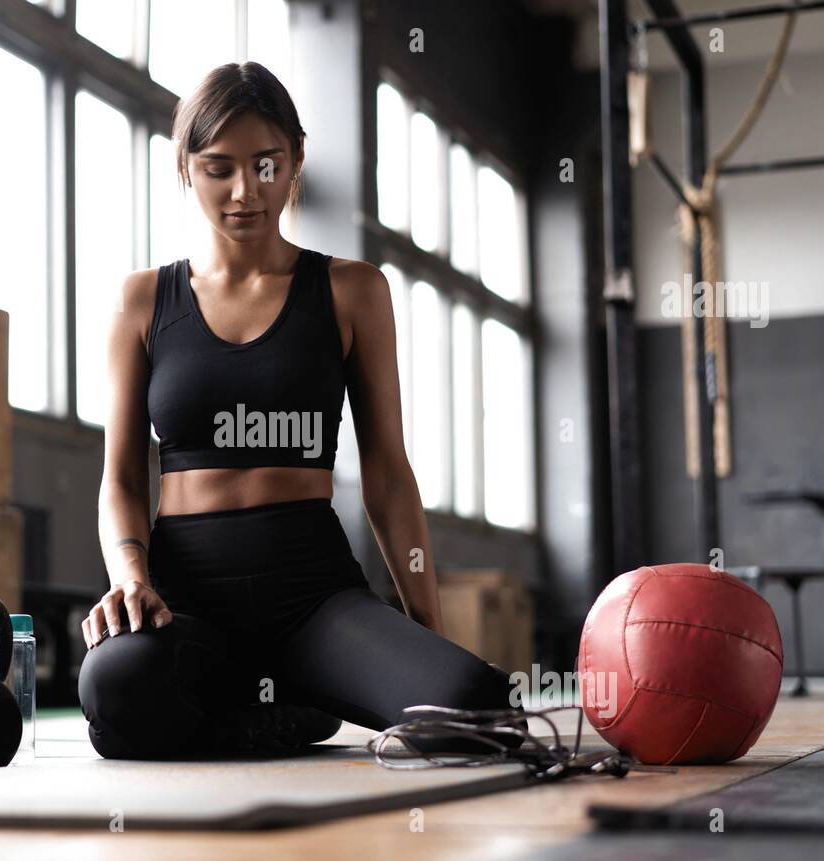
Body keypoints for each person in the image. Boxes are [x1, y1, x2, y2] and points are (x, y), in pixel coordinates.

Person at [77, 62, 519, 759]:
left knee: (473, 710)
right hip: (186, 596)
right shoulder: (141, 301)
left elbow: (387, 472)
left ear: (296, 161)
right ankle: (282, 713)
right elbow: (124, 481)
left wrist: (422, 625)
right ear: (185, 168)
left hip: (312, 596)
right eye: (219, 167)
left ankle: (275, 702)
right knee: (113, 687)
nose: (246, 191)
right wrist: (130, 578)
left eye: (266, 165)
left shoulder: (352, 291)